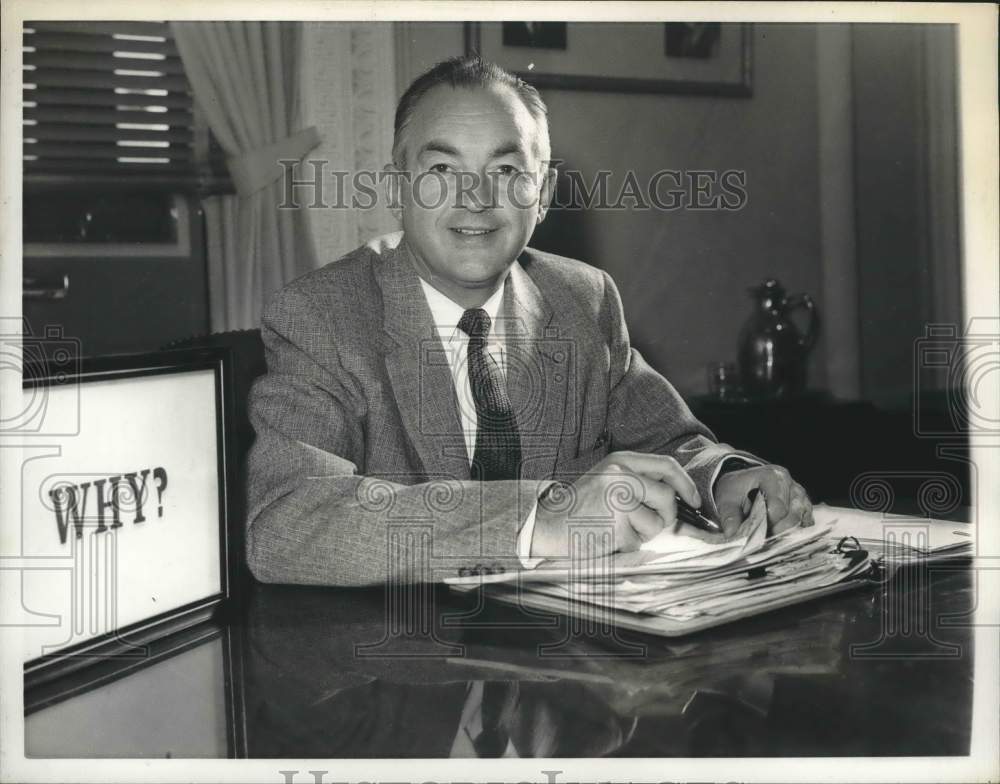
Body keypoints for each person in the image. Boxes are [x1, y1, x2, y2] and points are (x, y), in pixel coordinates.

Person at [245, 55, 813, 587]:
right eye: (443, 167)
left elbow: (670, 440)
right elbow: (284, 522)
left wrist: (723, 479)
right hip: (403, 666)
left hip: (561, 664)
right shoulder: (321, 315)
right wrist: (538, 519)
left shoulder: (582, 299)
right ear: (398, 187)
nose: (476, 198)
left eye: (506, 169)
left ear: (540, 195)